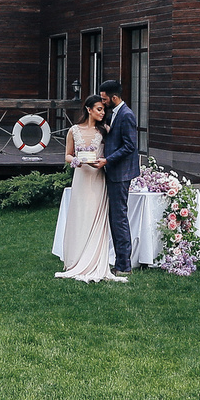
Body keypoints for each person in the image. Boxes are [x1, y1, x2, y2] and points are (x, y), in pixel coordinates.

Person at [54, 94, 124, 283]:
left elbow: (113, 152)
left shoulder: (105, 130)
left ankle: (94, 260)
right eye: (99, 109)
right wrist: (76, 161)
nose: (102, 113)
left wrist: (103, 161)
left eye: (104, 110)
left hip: (97, 178)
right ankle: (76, 259)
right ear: (88, 109)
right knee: (79, 216)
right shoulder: (73, 130)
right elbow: (67, 155)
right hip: (80, 178)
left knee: (95, 216)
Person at [97, 78, 139, 277]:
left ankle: (123, 265)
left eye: (104, 99)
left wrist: (107, 160)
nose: (102, 102)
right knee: (116, 217)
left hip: (120, 174)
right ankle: (120, 262)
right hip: (114, 171)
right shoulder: (113, 114)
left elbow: (130, 146)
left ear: (114, 98)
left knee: (119, 218)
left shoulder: (126, 115)